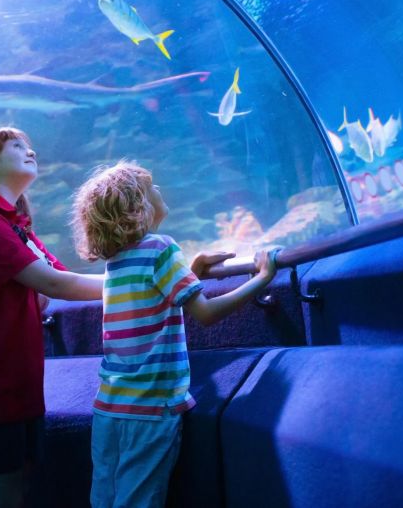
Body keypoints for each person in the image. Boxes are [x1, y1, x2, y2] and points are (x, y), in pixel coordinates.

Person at [71, 160, 278, 508]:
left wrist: (191, 271)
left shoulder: (118, 262)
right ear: (136, 205)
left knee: (105, 500)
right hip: (150, 409)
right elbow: (206, 313)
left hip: (109, 408)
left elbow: (152, 299)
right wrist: (261, 278)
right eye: (150, 187)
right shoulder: (161, 248)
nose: (159, 191)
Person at [0, 127, 106, 508]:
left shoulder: (17, 228)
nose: (30, 151)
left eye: (30, 146)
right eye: (17, 146)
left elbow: (60, 279)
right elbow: (55, 283)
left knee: (17, 495)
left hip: (20, 388)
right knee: (0, 500)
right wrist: (145, 282)